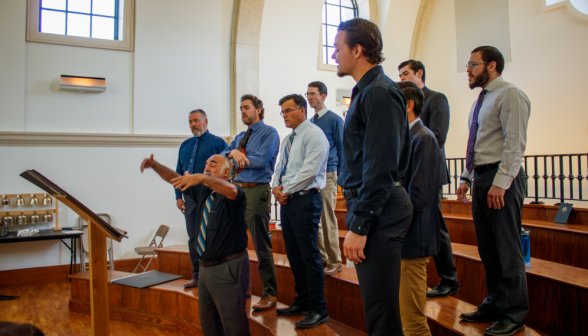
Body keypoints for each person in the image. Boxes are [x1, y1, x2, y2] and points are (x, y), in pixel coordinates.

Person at [333, 18, 413, 335]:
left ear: (358, 49)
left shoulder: (379, 92)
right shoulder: (367, 91)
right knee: (376, 308)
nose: (334, 55)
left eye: (338, 48)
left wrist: (360, 224)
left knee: (381, 314)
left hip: (377, 210)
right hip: (372, 207)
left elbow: (380, 167)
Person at [457, 46, 530, 336]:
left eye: (473, 64)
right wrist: (466, 176)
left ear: (492, 65)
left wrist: (501, 182)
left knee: (507, 249)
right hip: (482, 178)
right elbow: (476, 142)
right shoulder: (481, 100)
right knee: (488, 250)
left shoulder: (510, 94)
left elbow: (515, 143)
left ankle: (514, 313)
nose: (468, 69)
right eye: (468, 65)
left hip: (503, 180)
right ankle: (494, 303)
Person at [141, 154, 250, 336]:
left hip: (227, 269)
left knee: (235, 328)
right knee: (210, 327)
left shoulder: (234, 193)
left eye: (212, 165)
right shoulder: (204, 192)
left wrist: (201, 177)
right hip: (205, 271)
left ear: (225, 172)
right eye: (205, 164)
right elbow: (176, 179)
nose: (206, 167)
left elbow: (230, 190)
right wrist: (155, 165)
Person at [398, 60, 458, 297]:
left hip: (428, 169)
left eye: (405, 73)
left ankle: (449, 278)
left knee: (435, 225)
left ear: (419, 73)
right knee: (432, 225)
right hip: (414, 167)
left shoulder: (436, 98)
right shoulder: (404, 103)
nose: (401, 77)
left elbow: (438, 136)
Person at [272, 94, 330, 329]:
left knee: (309, 255)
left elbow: (309, 171)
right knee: (294, 255)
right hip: (288, 201)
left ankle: (318, 308)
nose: (284, 115)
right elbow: (280, 167)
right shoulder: (288, 139)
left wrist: (284, 189)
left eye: (288, 111)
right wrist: (276, 188)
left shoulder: (314, 135)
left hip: (306, 200)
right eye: (282, 112)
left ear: (302, 111)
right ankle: (302, 301)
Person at [221, 94, 279, 311]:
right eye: (241, 108)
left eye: (246, 107)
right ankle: (241, 288)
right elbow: (222, 156)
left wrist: (236, 159)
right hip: (237, 191)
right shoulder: (239, 137)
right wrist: (233, 152)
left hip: (256, 190)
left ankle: (269, 293)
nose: (243, 111)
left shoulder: (269, 133)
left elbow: (261, 160)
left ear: (259, 109)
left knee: (261, 245)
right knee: (235, 244)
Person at [396, 81, 444, 336]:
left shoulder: (424, 138)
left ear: (408, 105)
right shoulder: (406, 136)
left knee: (413, 321)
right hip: (402, 235)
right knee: (403, 316)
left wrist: (396, 227)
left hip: (413, 237)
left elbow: (419, 196)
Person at [175, 109, 227, 288]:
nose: (193, 125)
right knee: (193, 237)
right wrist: (178, 196)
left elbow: (225, 172)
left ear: (206, 121)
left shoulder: (218, 143)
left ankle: (212, 275)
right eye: (190, 122)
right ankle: (197, 275)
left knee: (211, 235)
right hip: (189, 197)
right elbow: (179, 172)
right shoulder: (185, 145)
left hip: (210, 196)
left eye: (196, 121)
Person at [306, 81, 344, 275]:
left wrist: (343, 177)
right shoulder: (310, 123)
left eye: (313, 94)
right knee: (316, 219)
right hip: (312, 175)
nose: (309, 97)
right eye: (308, 94)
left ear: (323, 96)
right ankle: (322, 258)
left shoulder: (334, 120)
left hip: (328, 173)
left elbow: (343, 148)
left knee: (328, 218)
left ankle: (335, 260)